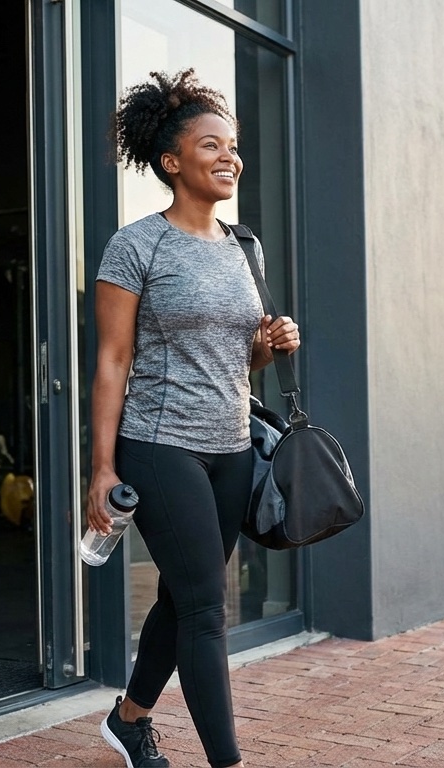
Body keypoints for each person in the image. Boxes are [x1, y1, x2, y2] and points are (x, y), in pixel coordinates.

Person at [88, 69, 300, 768]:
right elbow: (113, 361)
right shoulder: (136, 246)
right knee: (208, 609)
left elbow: (242, 363)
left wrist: (269, 346)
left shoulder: (246, 247)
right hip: (159, 446)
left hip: (232, 447)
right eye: (212, 145)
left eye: (233, 146)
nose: (229, 156)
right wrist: (102, 469)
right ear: (171, 161)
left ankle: (128, 719)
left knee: (184, 599)